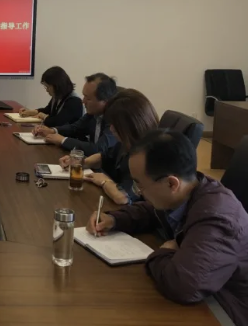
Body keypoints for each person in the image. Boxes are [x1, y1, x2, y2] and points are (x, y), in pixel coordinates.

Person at [87, 131, 248, 325]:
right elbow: (151, 210)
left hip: (224, 311)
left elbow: (184, 286)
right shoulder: (189, 189)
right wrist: (115, 219)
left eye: (140, 186)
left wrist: (163, 254)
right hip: (207, 297)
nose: (140, 193)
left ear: (172, 183)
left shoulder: (218, 218)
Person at [59, 89, 159, 204]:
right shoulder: (127, 142)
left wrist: (105, 182)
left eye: (115, 125)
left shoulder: (147, 155)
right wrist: (80, 162)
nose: (111, 129)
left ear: (130, 125)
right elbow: (104, 157)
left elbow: (123, 198)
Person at [33, 73, 118, 156]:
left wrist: (63, 140)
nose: (83, 101)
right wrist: (52, 131)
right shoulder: (93, 114)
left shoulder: (115, 120)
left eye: (88, 98)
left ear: (105, 101)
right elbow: (75, 128)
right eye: (84, 96)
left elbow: (98, 149)